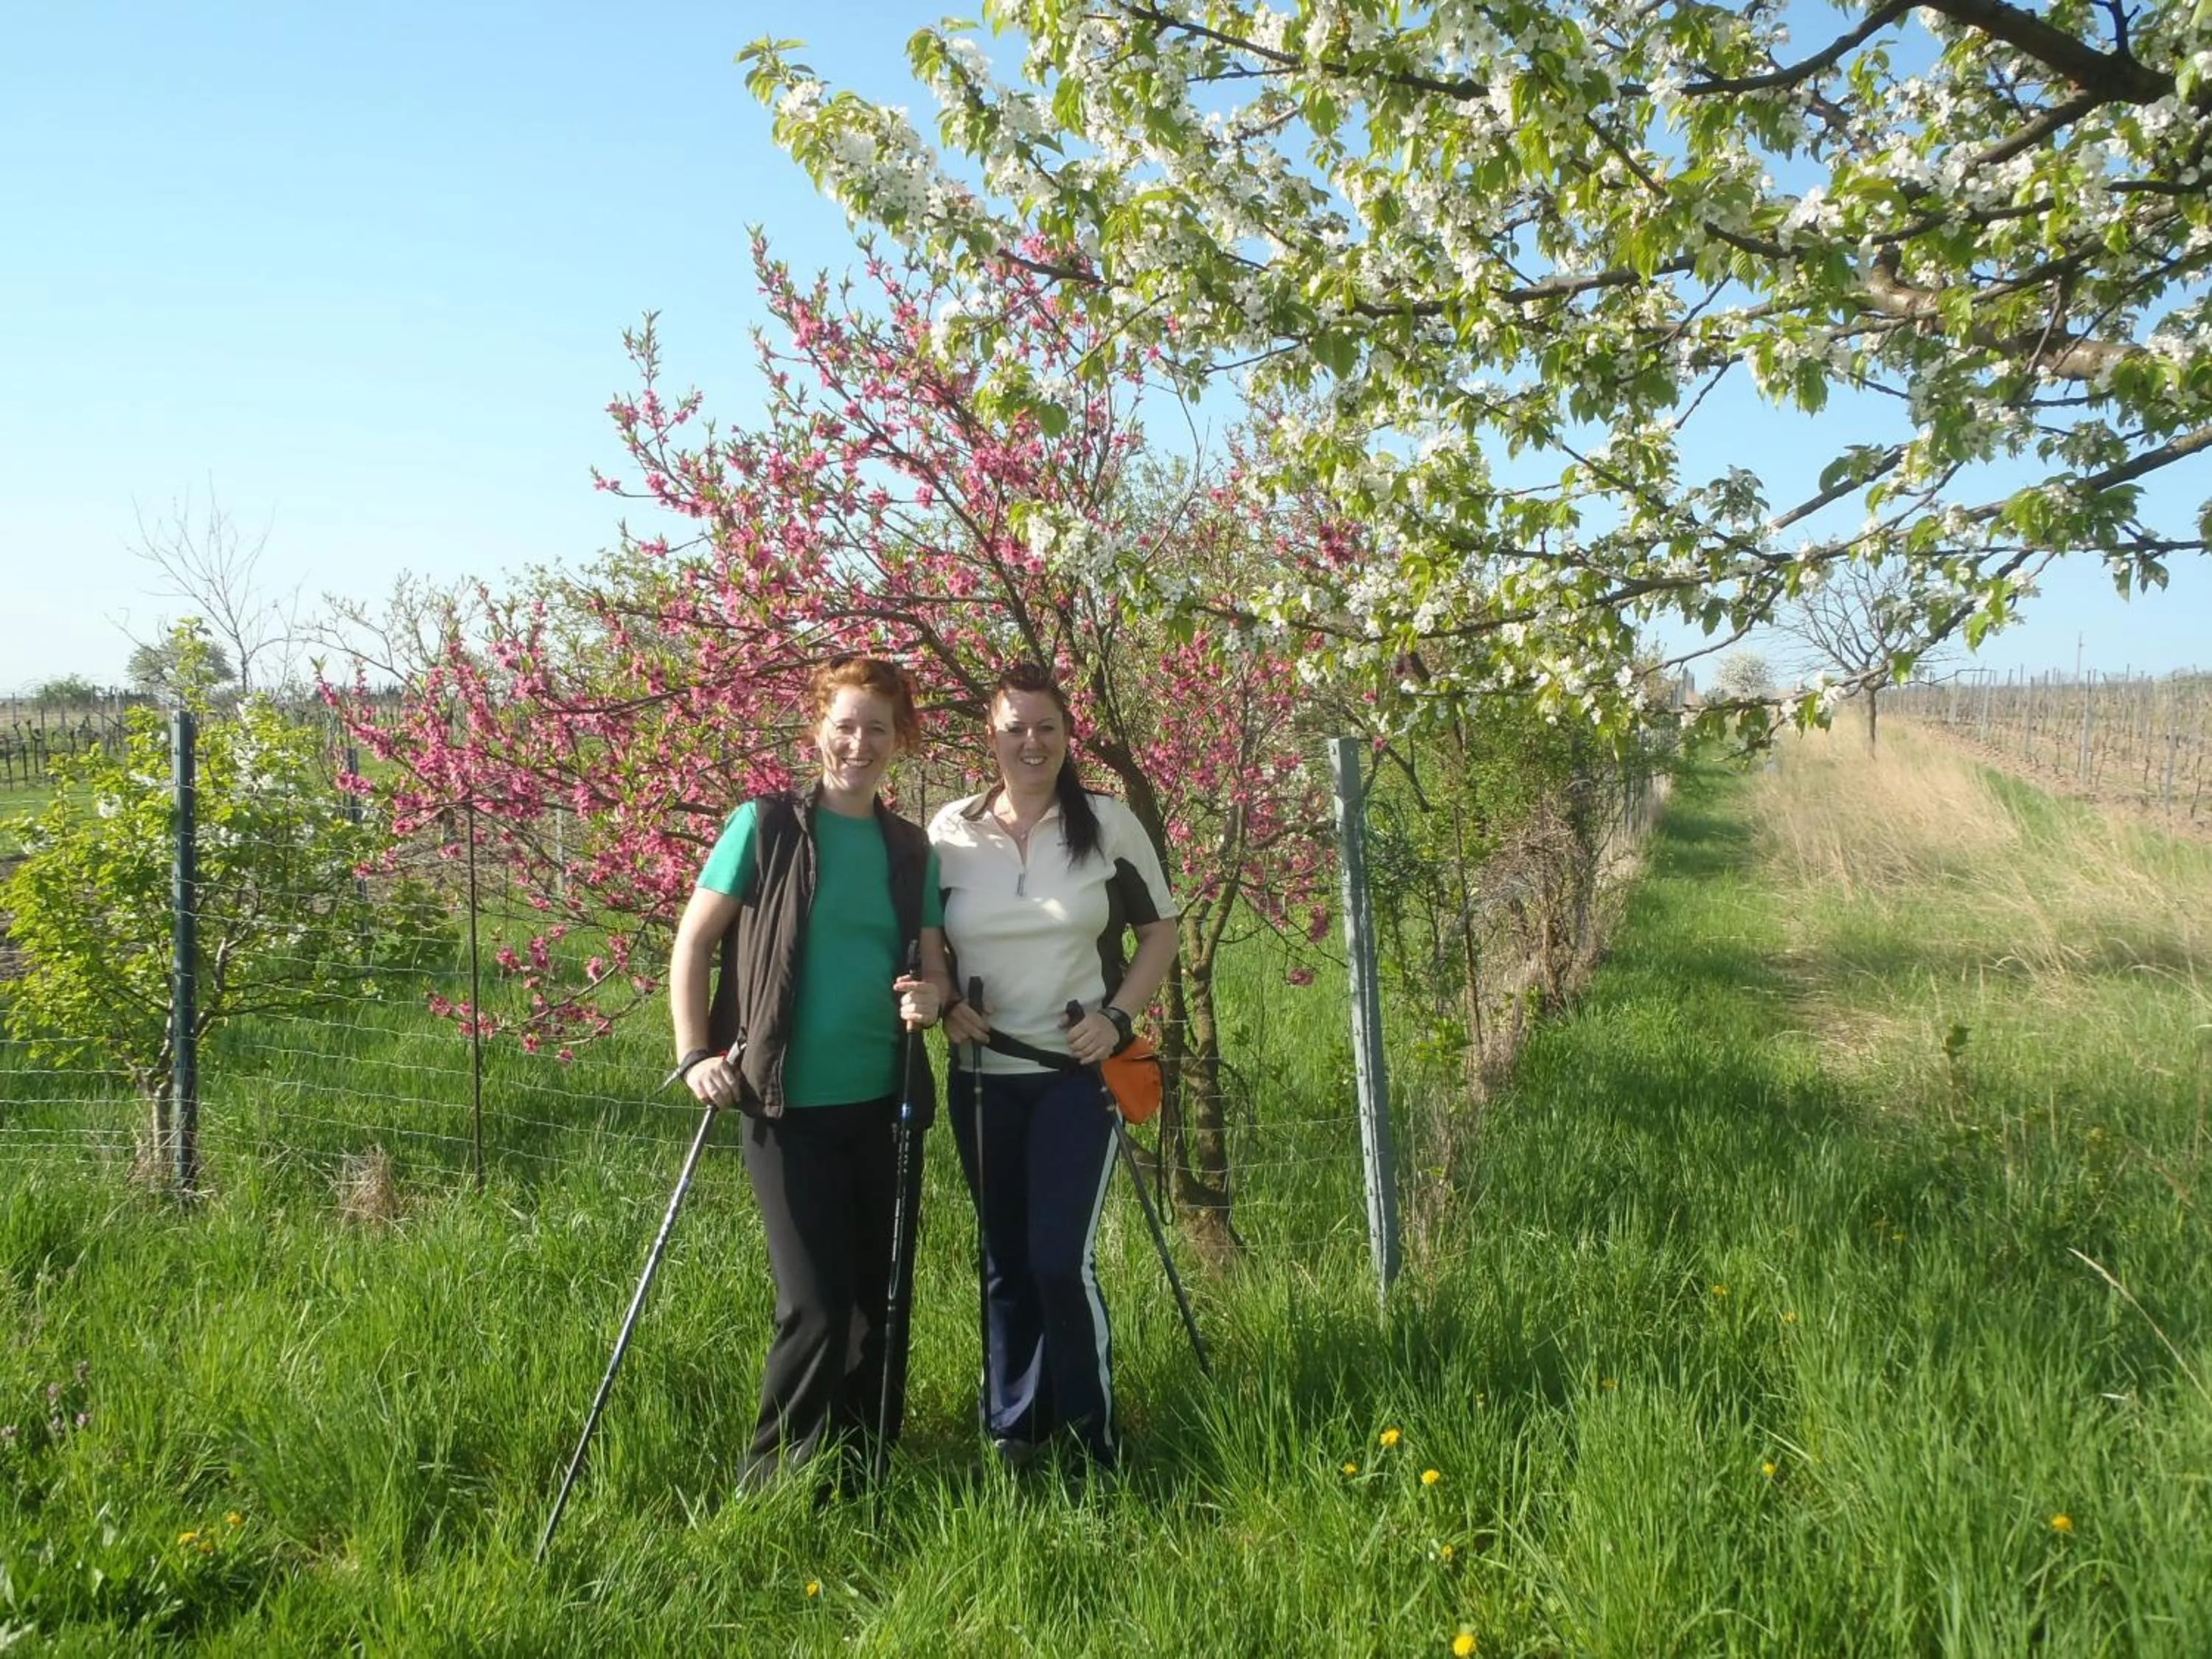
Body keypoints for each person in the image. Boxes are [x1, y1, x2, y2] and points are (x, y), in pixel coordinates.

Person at [665, 655, 944, 1493]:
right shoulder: (768, 826)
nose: (860, 744)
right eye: (846, 725)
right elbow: (694, 943)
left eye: (879, 729)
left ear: (903, 741)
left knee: (876, 1307)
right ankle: (771, 1487)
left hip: (883, 1104)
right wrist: (694, 1055)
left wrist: (930, 999)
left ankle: (862, 1476)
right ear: (817, 728)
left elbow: (932, 966)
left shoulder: (908, 847)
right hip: (785, 1106)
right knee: (815, 1307)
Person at [925, 663, 1179, 1475]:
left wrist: (1117, 1017)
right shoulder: (950, 830)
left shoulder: (1106, 823)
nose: (1031, 743)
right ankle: (1013, 1434)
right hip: (981, 1074)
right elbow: (927, 936)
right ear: (989, 736)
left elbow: (1161, 932)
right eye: (1014, 728)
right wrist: (940, 995)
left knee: (1058, 1259)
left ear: (1069, 736)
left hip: (1077, 1076)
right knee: (1002, 1256)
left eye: (1047, 728)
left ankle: (1091, 1439)